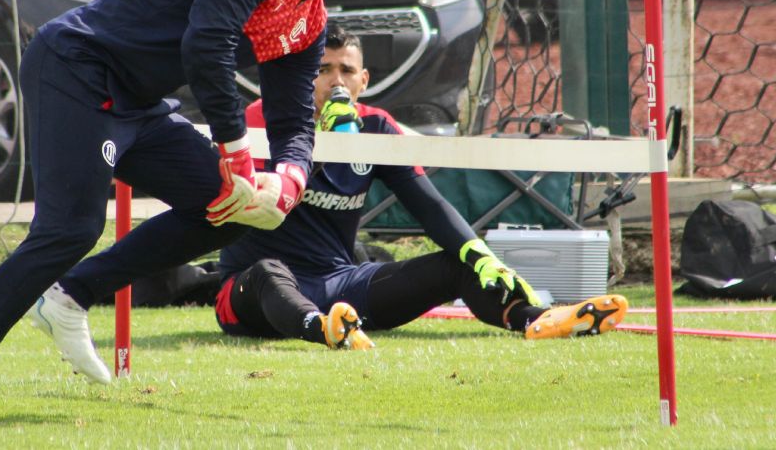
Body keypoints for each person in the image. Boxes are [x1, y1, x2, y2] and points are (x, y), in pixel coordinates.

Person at [0, 0, 393, 427]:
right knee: (70, 230)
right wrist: (236, 152)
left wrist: (289, 178)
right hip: (75, 68)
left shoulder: (311, 12)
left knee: (234, 210)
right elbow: (205, 44)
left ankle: (70, 295)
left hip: (136, 103)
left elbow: (292, 122)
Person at [211, 26, 630, 350]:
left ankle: (537, 319)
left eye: (346, 71)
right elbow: (256, 200)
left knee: (457, 263)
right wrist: (319, 143)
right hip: (252, 287)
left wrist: (483, 258)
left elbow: (430, 207)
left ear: (364, 80)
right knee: (268, 272)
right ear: (303, 76)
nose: (334, 81)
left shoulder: (375, 127)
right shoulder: (261, 119)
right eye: (321, 70)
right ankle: (324, 331)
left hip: (339, 285)